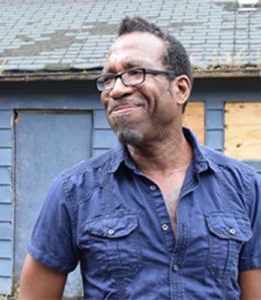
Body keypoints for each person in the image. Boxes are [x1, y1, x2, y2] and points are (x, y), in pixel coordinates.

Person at [19, 16, 261, 299]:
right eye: (109, 78)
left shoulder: (245, 188)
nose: (117, 89)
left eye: (135, 72)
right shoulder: (73, 192)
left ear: (181, 88)